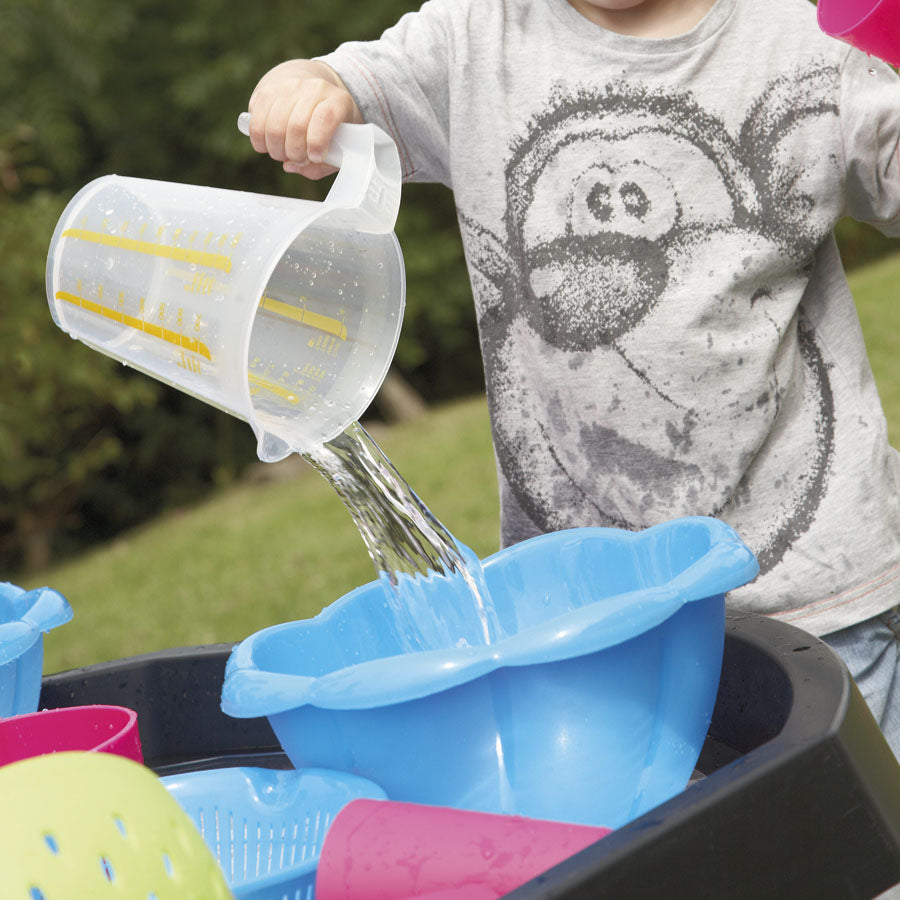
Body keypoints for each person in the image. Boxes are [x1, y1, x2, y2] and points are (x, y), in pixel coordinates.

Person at [243, 0, 900, 757]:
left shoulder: (800, 31)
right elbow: (354, 83)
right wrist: (308, 85)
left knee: (854, 845)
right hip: (597, 627)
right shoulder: (474, 37)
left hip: (818, 602)